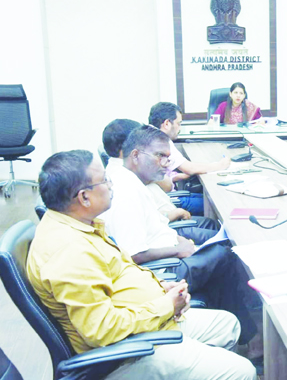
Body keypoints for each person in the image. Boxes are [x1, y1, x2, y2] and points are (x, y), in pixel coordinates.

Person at [27, 149, 256, 379]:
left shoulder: (81, 224)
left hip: (140, 323)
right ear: (84, 197)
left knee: (227, 325)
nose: (111, 185)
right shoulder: (69, 251)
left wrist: (160, 287)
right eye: (105, 180)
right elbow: (102, 330)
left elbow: (117, 273)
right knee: (242, 371)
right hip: (125, 355)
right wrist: (165, 305)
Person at [99, 125, 260, 353]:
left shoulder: (133, 181)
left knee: (220, 252)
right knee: (226, 255)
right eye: (160, 156)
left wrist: (177, 240)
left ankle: (243, 329)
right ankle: (251, 341)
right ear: (135, 155)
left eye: (168, 157)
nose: (166, 164)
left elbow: (152, 228)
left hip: (167, 256)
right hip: (161, 271)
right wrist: (177, 249)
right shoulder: (126, 191)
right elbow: (132, 254)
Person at [102, 118, 219, 245]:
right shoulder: (128, 178)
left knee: (214, 226)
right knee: (225, 242)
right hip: (168, 228)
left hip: (167, 223)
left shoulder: (121, 169)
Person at [149, 102, 230, 215]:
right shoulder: (160, 140)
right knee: (218, 203)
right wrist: (220, 165)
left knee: (206, 196)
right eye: (179, 123)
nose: (180, 128)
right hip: (168, 201)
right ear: (167, 123)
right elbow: (189, 168)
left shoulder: (149, 134)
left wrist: (177, 176)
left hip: (161, 197)